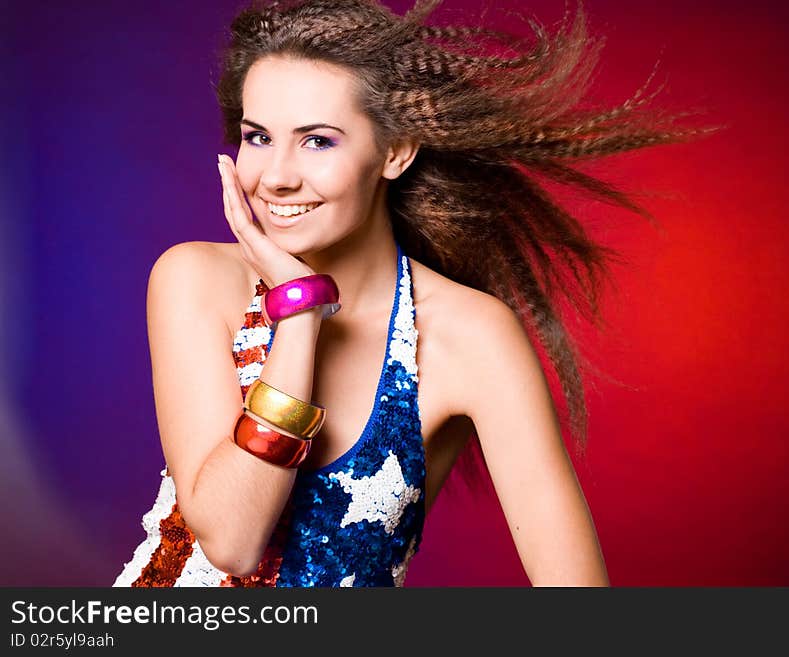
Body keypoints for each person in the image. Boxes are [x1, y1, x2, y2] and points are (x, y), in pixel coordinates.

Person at [114, 0, 710, 587]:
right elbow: (231, 542)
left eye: (318, 141)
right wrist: (299, 312)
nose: (275, 176)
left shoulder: (468, 335)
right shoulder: (195, 279)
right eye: (258, 137)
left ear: (395, 151)